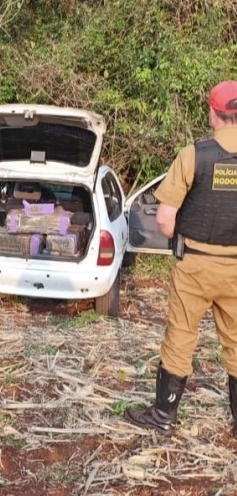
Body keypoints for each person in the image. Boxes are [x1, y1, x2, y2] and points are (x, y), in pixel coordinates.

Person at [124, 80, 237, 437]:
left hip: (195, 266)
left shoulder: (194, 155)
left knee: (181, 336)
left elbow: (164, 220)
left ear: (213, 113)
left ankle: (163, 415)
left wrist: (176, 234)